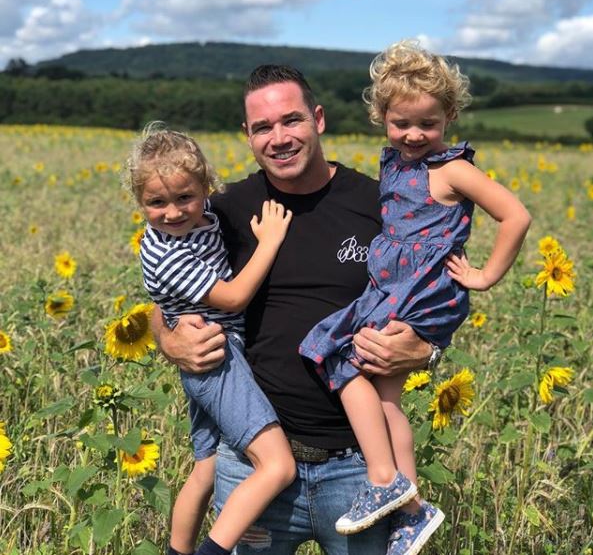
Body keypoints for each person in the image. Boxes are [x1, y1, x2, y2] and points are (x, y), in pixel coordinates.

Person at [153, 64, 437, 555]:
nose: (278, 138)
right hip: (252, 463)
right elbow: (167, 296)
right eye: (263, 127)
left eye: (291, 120)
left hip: (361, 471)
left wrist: (427, 351)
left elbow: (434, 294)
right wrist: (168, 338)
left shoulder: (378, 205)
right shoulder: (222, 212)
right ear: (247, 135)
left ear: (318, 119)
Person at [299, 40, 532, 554]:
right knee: (386, 398)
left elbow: (516, 215)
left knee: (336, 354)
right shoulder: (397, 163)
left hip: (419, 290)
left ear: (449, 116)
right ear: (381, 115)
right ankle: (409, 509)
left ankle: (386, 481)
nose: (413, 134)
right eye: (401, 122)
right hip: (393, 286)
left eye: (428, 123)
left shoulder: (452, 169)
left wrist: (486, 276)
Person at [125, 123, 296, 555]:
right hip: (216, 357)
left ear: (206, 188)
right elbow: (235, 298)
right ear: (139, 202)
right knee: (277, 466)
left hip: (211, 357)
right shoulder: (167, 252)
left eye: (184, 197)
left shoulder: (208, 219)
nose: (173, 212)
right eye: (156, 203)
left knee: (208, 468)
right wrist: (270, 242)